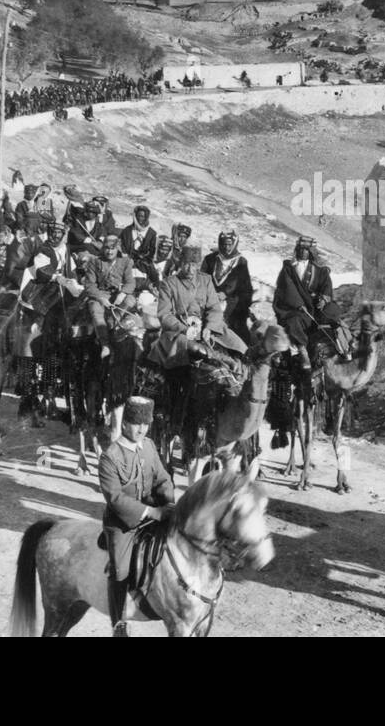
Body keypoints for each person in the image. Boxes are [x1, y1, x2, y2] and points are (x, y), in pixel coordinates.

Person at [99, 395, 174, 637]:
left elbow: (162, 477)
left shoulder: (150, 446)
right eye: (135, 423)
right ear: (124, 424)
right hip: (123, 523)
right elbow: (116, 499)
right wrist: (152, 512)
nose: (141, 429)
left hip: (155, 511)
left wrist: (168, 503)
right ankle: (118, 623)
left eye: (145, 424)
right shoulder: (110, 456)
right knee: (120, 570)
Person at [151, 244, 245, 370]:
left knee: (240, 347)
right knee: (197, 350)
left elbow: (214, 308)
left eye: (194, 265)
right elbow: (164, 315)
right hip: (180, 330)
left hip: (206, 328)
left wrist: (209, 327)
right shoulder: (169, 284)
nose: (190, 269)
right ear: (180, 263)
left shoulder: (205, 280)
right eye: (187, 264)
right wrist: (185, 329)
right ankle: (224, 361)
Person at [273, 235, 346, 369]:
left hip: (314, 307)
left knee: (332, 315)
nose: (302, 252)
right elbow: (287, 288)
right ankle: (302, 349)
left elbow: (326, 286)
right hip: (294, 307)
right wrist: (298, 304)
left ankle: (342, 348)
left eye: (306, 249)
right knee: (294, 321)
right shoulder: (288, 268)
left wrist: (323, 299)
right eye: (300, 249)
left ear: (311, 252)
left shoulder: (320, 270)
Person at [80, 233, 136, 357]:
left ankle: (111, 324)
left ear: (118, 249)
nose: (109, 252)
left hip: (117, 294)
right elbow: (89, 285)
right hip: (100, 294)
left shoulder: (125, 262)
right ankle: (105, 344)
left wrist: (123, 293)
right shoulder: (95, 262)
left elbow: (130, 282)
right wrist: (101, 298)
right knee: (95, 309)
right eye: (106, 248)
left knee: (130, 300)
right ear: (103, 248)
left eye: (113, 249)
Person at [200, 230, 253, 346]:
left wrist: (226, 294)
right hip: (209, 295)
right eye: (224, 244)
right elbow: (202, 278)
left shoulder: (241, 262)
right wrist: (210, 293)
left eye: (229, 244)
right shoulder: (210, 259)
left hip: (232, 299)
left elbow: (242, 285)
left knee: (235, 323)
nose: (226, 247)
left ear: (234, 244)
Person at [119, 205, 159, 289]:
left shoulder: (152, 234)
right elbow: (121, 245)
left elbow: (152, 251)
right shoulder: (127, 231)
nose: (141, 219)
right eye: (139, 216)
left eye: (144, 216)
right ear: (135, 216)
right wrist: (124, 254)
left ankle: (156, 287)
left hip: (143, 261)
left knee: (153, 273)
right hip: (127, 258)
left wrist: (143, 257)